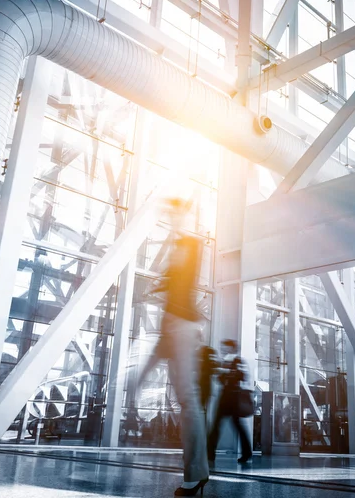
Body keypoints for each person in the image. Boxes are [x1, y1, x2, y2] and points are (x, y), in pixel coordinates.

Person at [137, 200, 209, 497]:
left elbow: (189, 261)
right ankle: (196, 472)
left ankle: (195, 474)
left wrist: (182, 220)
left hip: (180, 325)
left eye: (175, 213)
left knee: (189, 400)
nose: (170, 217)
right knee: (142, 381)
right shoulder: (183, 246)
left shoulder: (190, 244)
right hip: (172, 325)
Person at [207, 339, 253, 466]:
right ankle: (210, 453)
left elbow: (242, 376)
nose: (223, 349)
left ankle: (246, 453)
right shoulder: (224, 361)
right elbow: (220, 379)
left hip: (234, 397)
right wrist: (223, 374)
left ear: (232, 348)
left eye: (225, 347)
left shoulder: (238, 361)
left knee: (236, 426)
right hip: (225, 396)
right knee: (218, 425)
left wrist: (226, 372)